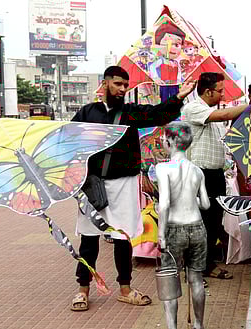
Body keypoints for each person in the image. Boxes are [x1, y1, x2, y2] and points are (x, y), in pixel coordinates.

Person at [69, 66, 196, 311]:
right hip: (93, 185)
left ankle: (125, 289)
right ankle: (82, 290)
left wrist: (179, 96)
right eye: (117, 84)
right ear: (105, 84)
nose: (122, 89)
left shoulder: (130, 113)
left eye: (125, 85)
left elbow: (159, 115)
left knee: (123, 238)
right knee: (89, 238)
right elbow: (69, 141)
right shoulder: (87, 112)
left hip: (124, 183)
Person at [182, 72, 251, 280]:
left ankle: (206, 264)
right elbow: (225, 115)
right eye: (220, 91)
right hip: (199, 174)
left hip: (215, 174)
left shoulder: (211, 114)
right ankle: (195, 268)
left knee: (214, 221)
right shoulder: (194, 108)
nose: (222, 95)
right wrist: (248, 106)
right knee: (200, 222)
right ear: (208, 91)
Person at [156, 121, 210, 329]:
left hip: (174, 229)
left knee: (170, 281)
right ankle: (198, 326)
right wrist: (190, 200)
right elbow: (205, 204)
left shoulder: (163, 168)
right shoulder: (197, 171)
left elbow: (165, 204)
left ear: (169, 141)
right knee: (196, 279)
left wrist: (161, 235)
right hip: (197, 228)